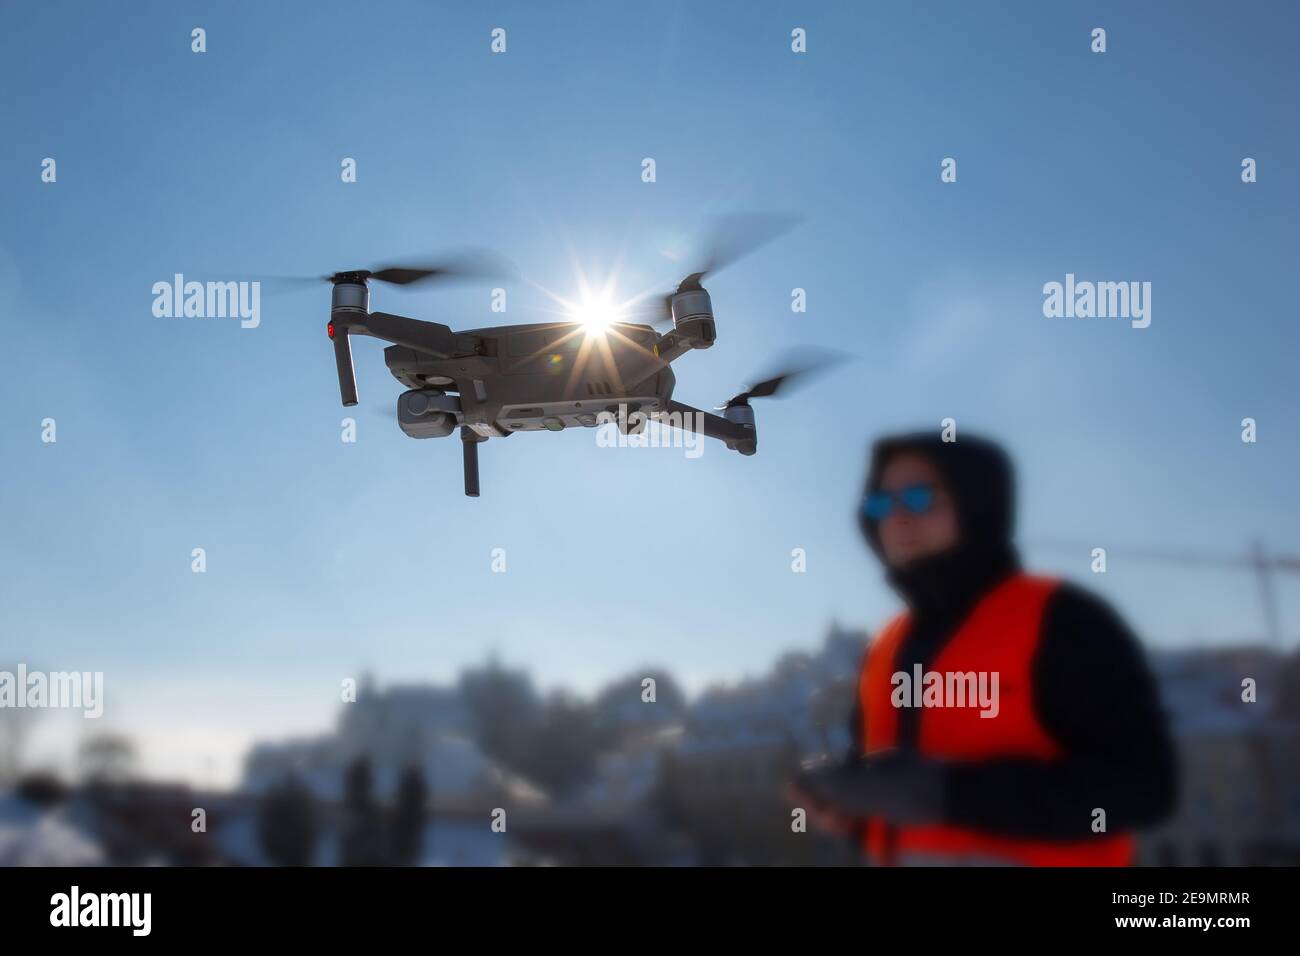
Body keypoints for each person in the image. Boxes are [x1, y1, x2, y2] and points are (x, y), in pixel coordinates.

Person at [791, 431, 1178, 865]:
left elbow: (1145, 789)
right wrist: (848, 806)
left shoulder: (1061, 619)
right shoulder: (885, 646)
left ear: (975, 503)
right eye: (881, 504)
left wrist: (949, 793)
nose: (897, 518)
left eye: (919, 499)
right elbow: (897, 802)